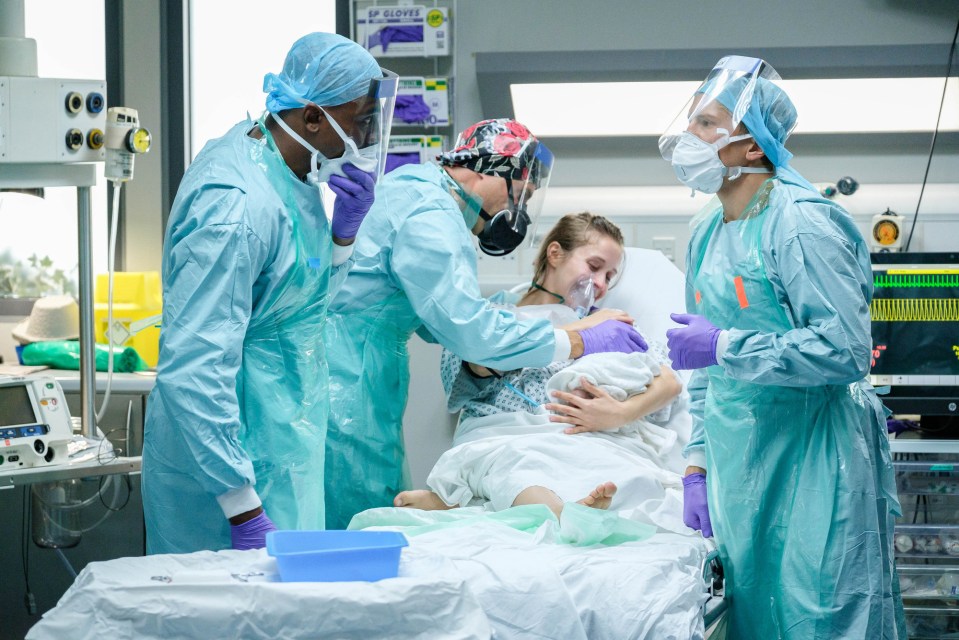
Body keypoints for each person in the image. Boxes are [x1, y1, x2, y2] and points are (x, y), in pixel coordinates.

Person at [660, 55, 905, 638]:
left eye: (707, 123)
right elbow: (704, 365)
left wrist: (725, 346)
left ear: (751, 145)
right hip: (740, 455)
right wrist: (696, 463)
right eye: (692, 119)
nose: (688, 136)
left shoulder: (802, 223)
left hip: (817, 452)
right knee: (755, 614)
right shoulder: (705, 230)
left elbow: (843, 350)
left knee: (821, 611)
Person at [142, 33, 399, 554]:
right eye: (359, 122)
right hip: (223, 477)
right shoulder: (235, 208)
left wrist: (343, 236)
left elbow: (303, 308)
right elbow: (194, 367)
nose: (367, 138)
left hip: (277, 444)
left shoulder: (290, 176)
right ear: (311, 119)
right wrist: (242, 508)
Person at [324, 121, 648, 529]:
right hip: (342, 374)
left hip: (361, 371)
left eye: (609, 277)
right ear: (491, 169)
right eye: (522, 195)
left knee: (362, 513)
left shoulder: (432, 205)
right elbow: (469, 336)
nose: (520, 213)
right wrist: (575, 340)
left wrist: (620, 407)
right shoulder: (430, 213)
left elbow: (440, 321)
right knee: (344, 517)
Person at [394, 213, 685, 528]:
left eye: (609, 277)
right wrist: (578, 332)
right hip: (507, 434)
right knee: (518, 465)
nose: (600, 283)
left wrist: (619, 413)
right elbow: (478, 363)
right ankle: (561, 516)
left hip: (587, 438)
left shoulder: (613, 322)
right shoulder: (491, 318)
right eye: (594, 266)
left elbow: (669, 382)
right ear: (555, 253)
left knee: (629, 476)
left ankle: (462, 502)